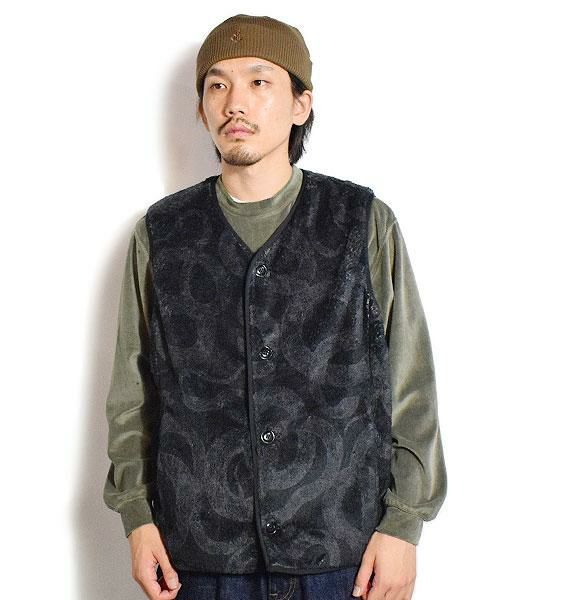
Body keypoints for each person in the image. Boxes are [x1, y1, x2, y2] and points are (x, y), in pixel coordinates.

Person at [103, 13, 447, 600]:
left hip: (344, 559)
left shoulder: (363, 222)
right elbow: (131, 392)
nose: (235, 102)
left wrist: (403, 525)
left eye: (259, 81)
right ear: (201, 109)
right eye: (217, 85)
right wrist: (136, 516)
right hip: (199, 561)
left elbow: (410, 385)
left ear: (300, 104)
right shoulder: (161, 233)